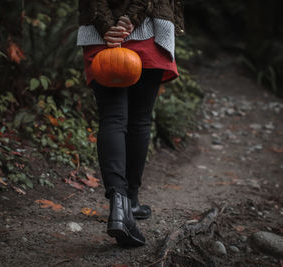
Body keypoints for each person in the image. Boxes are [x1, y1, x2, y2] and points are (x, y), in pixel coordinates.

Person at [77, 0, 184, 246]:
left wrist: (107, 26)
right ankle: (132, 202)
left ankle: (119, 205)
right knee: (139, 121)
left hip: (101, 35)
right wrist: (130, 20)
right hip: (149, 30)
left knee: (113, 118)